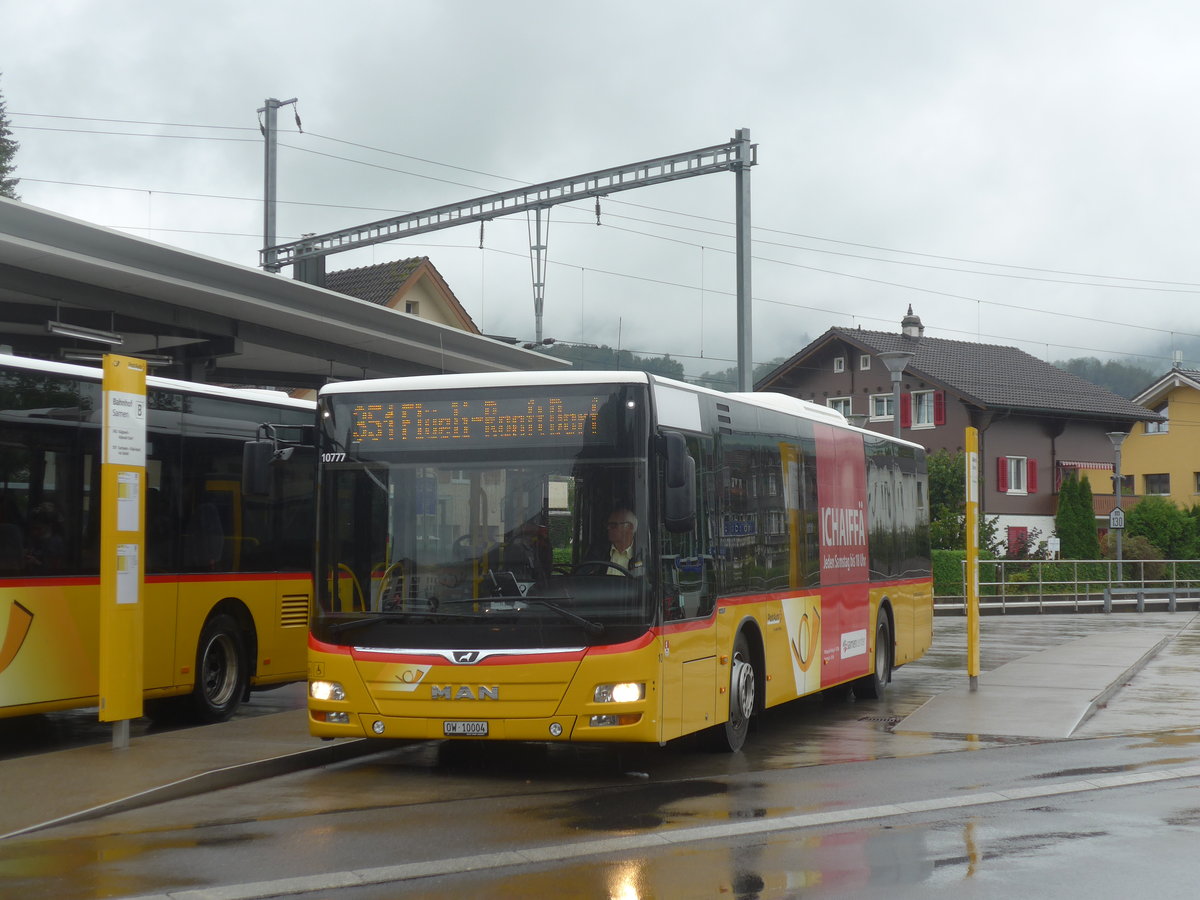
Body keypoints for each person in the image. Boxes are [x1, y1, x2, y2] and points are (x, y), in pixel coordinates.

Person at [602, 507, 642, 575]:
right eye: (608, 525)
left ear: (630, 527)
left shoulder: (641, 556)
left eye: (613, 525)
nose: (608, 528)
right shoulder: (599, 553)